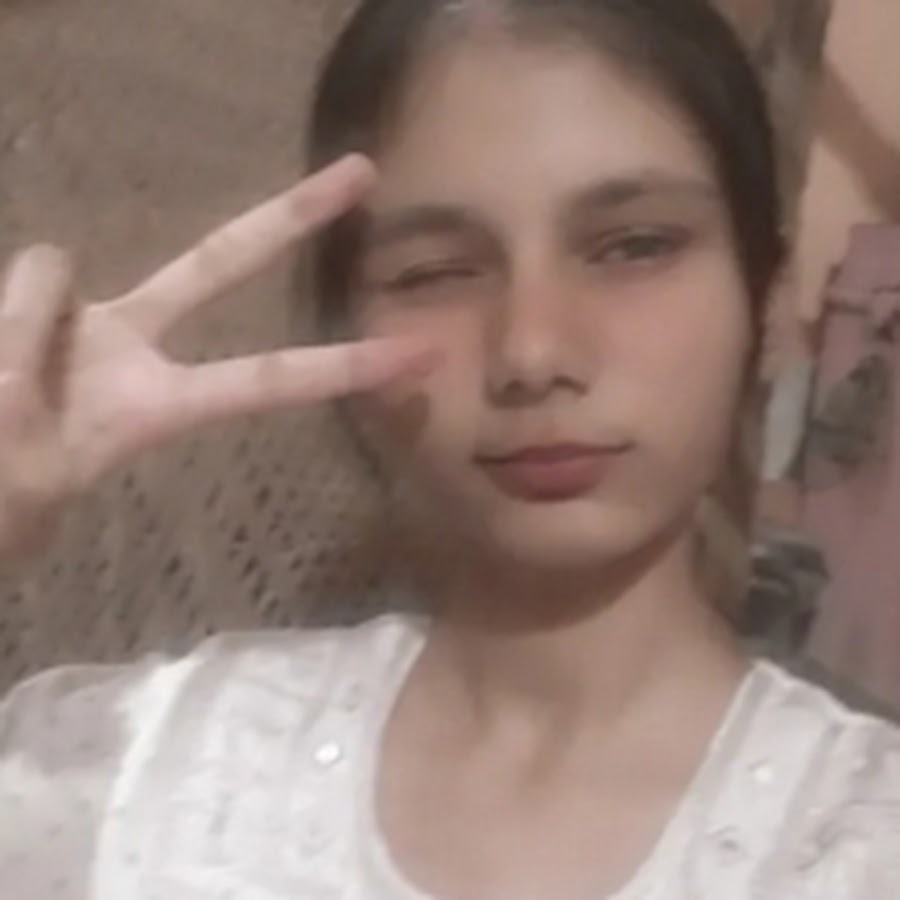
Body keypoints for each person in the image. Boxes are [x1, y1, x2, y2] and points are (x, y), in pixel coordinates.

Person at [0, 0, 898, 896]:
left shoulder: (861, 842)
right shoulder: (130, 772)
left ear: (767, 303)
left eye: (634, 247)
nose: (531, 353)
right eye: (434, 272)